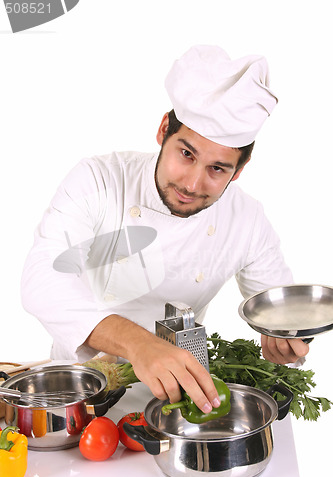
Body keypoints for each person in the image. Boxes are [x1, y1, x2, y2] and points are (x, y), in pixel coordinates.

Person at [21, 45, 309, 415]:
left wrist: (285, 340)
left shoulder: (247, 219)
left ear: (239, 169)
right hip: (79, 395)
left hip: (180, 402)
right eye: (186, 154)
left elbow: (276, 308)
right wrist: (139, 344)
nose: (192, 183)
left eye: (217, 169)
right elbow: (41, 279)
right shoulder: (100, 179)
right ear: (162, 131)